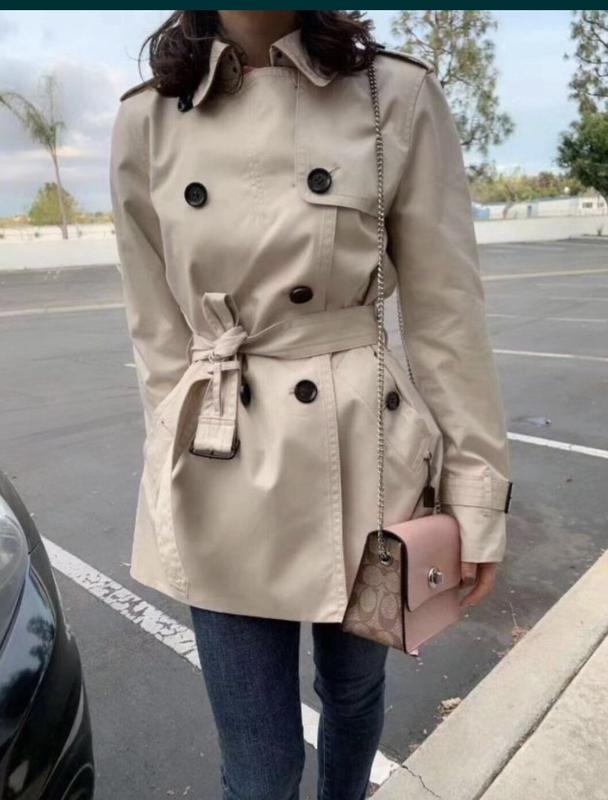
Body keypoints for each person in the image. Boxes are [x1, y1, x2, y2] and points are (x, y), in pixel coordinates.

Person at [109, 10, 512, 799]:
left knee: (354, 694)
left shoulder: (395, 95)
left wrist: (475, 494)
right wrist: (170, 461)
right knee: (260, 771)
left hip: (367, 462)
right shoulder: (146, 120)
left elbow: (447, 318)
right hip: (221, 467)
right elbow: (157, 335)